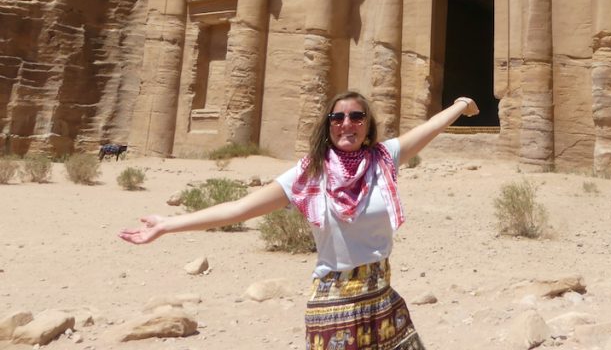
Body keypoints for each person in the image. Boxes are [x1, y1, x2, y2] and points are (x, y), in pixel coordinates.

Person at [120, 91, 480, 350]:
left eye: (356, 116)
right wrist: (168, 223)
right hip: (334, 299)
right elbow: (240, 209)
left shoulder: (384, 159)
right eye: (337, 117)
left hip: (381, 296)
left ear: (368, 126)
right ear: (328, 126)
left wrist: (461, 104)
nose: (346, 123)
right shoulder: (309, 174)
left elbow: (431, 127)